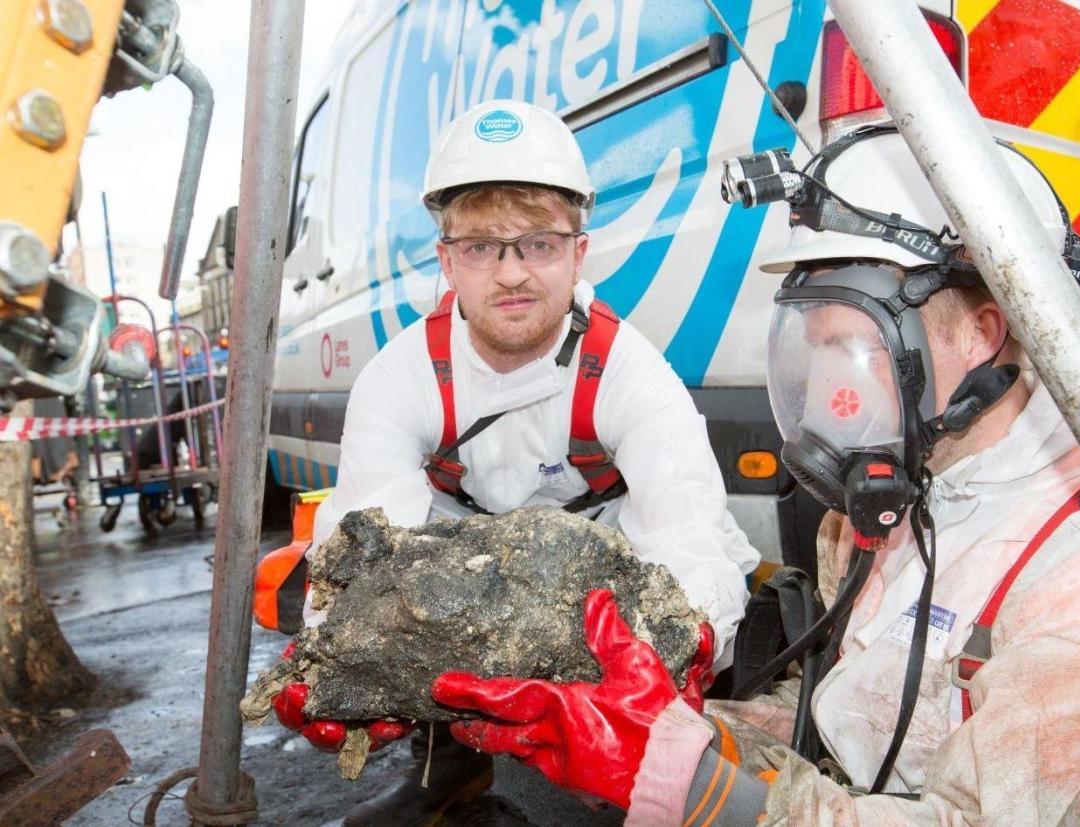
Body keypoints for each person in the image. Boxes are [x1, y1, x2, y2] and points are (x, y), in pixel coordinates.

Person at [430, 127, 1080, 824]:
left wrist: (701, 792)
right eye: (809, 348)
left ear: (981, 335)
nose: (823, 395)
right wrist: (671, 727)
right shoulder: (906, 507)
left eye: (844, 347)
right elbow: (852, 729)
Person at [272, 100, 760, 827]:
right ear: (446, 261)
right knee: (397, 594)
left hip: (590, 573)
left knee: (683, 609)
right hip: (458, 566)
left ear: (577, 252)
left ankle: (632, 770)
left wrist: (677, 659)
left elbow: (688, 536)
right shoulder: (401, 375)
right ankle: (447, 770)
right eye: (480, 247)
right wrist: (333, 651)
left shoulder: (627, 370)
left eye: (537, 243)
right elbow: (359, 544)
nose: (510, 274)